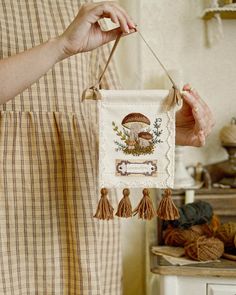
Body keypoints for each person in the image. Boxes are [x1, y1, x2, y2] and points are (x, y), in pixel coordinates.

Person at [0, 1, 214, 294]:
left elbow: (108, 115)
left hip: (77, 200)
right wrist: (61, 45)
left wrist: (171, 128)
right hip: (10, 197)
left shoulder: (83, 4)